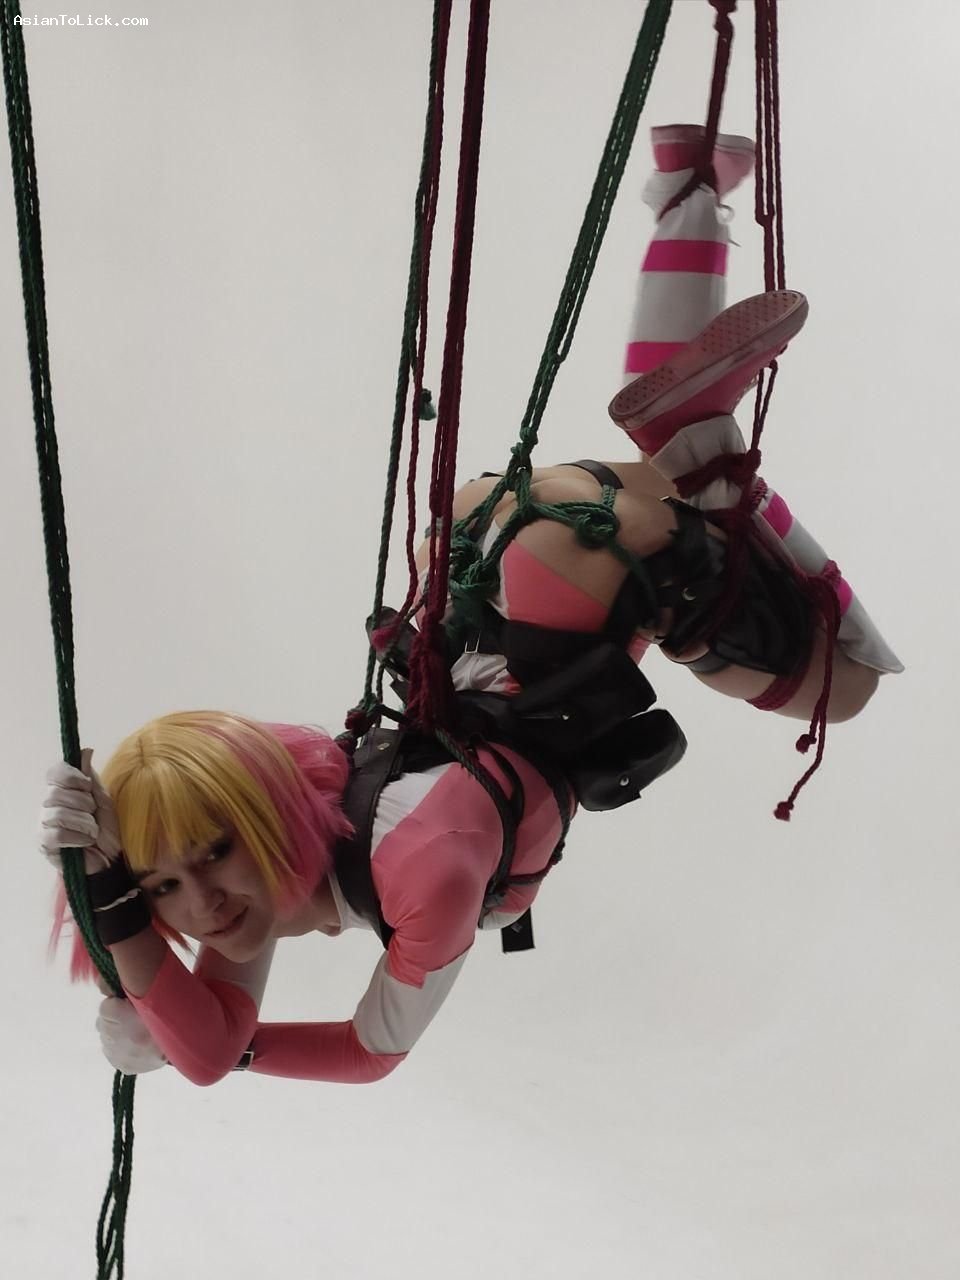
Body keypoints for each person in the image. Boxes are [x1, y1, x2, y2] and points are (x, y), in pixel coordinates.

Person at [38, 125, 901, 1087]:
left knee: (842, 681)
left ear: (260, 816)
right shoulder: (278, 849)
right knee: (679, 481)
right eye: (161, 886)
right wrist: (121, 925)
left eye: (210, 854)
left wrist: (150, 969)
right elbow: (203, 1039)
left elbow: (358, 1054)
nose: (202, 909)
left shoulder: (422, 872)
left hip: (553, 587)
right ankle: (691, 196)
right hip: (484, 565)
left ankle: (700, 414)